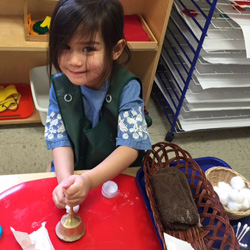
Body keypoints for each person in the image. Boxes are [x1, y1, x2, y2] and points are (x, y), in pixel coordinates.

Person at [45, 0, 152, 209]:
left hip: (118, 172)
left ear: (116, 49)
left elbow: (130, 147)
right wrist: (66, 182)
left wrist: (89, 181)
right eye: (65, 47)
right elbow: (60, 140)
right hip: (77, 166)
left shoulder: (127, 87)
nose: (74, 61)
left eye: (88, 49)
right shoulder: (59, 86)